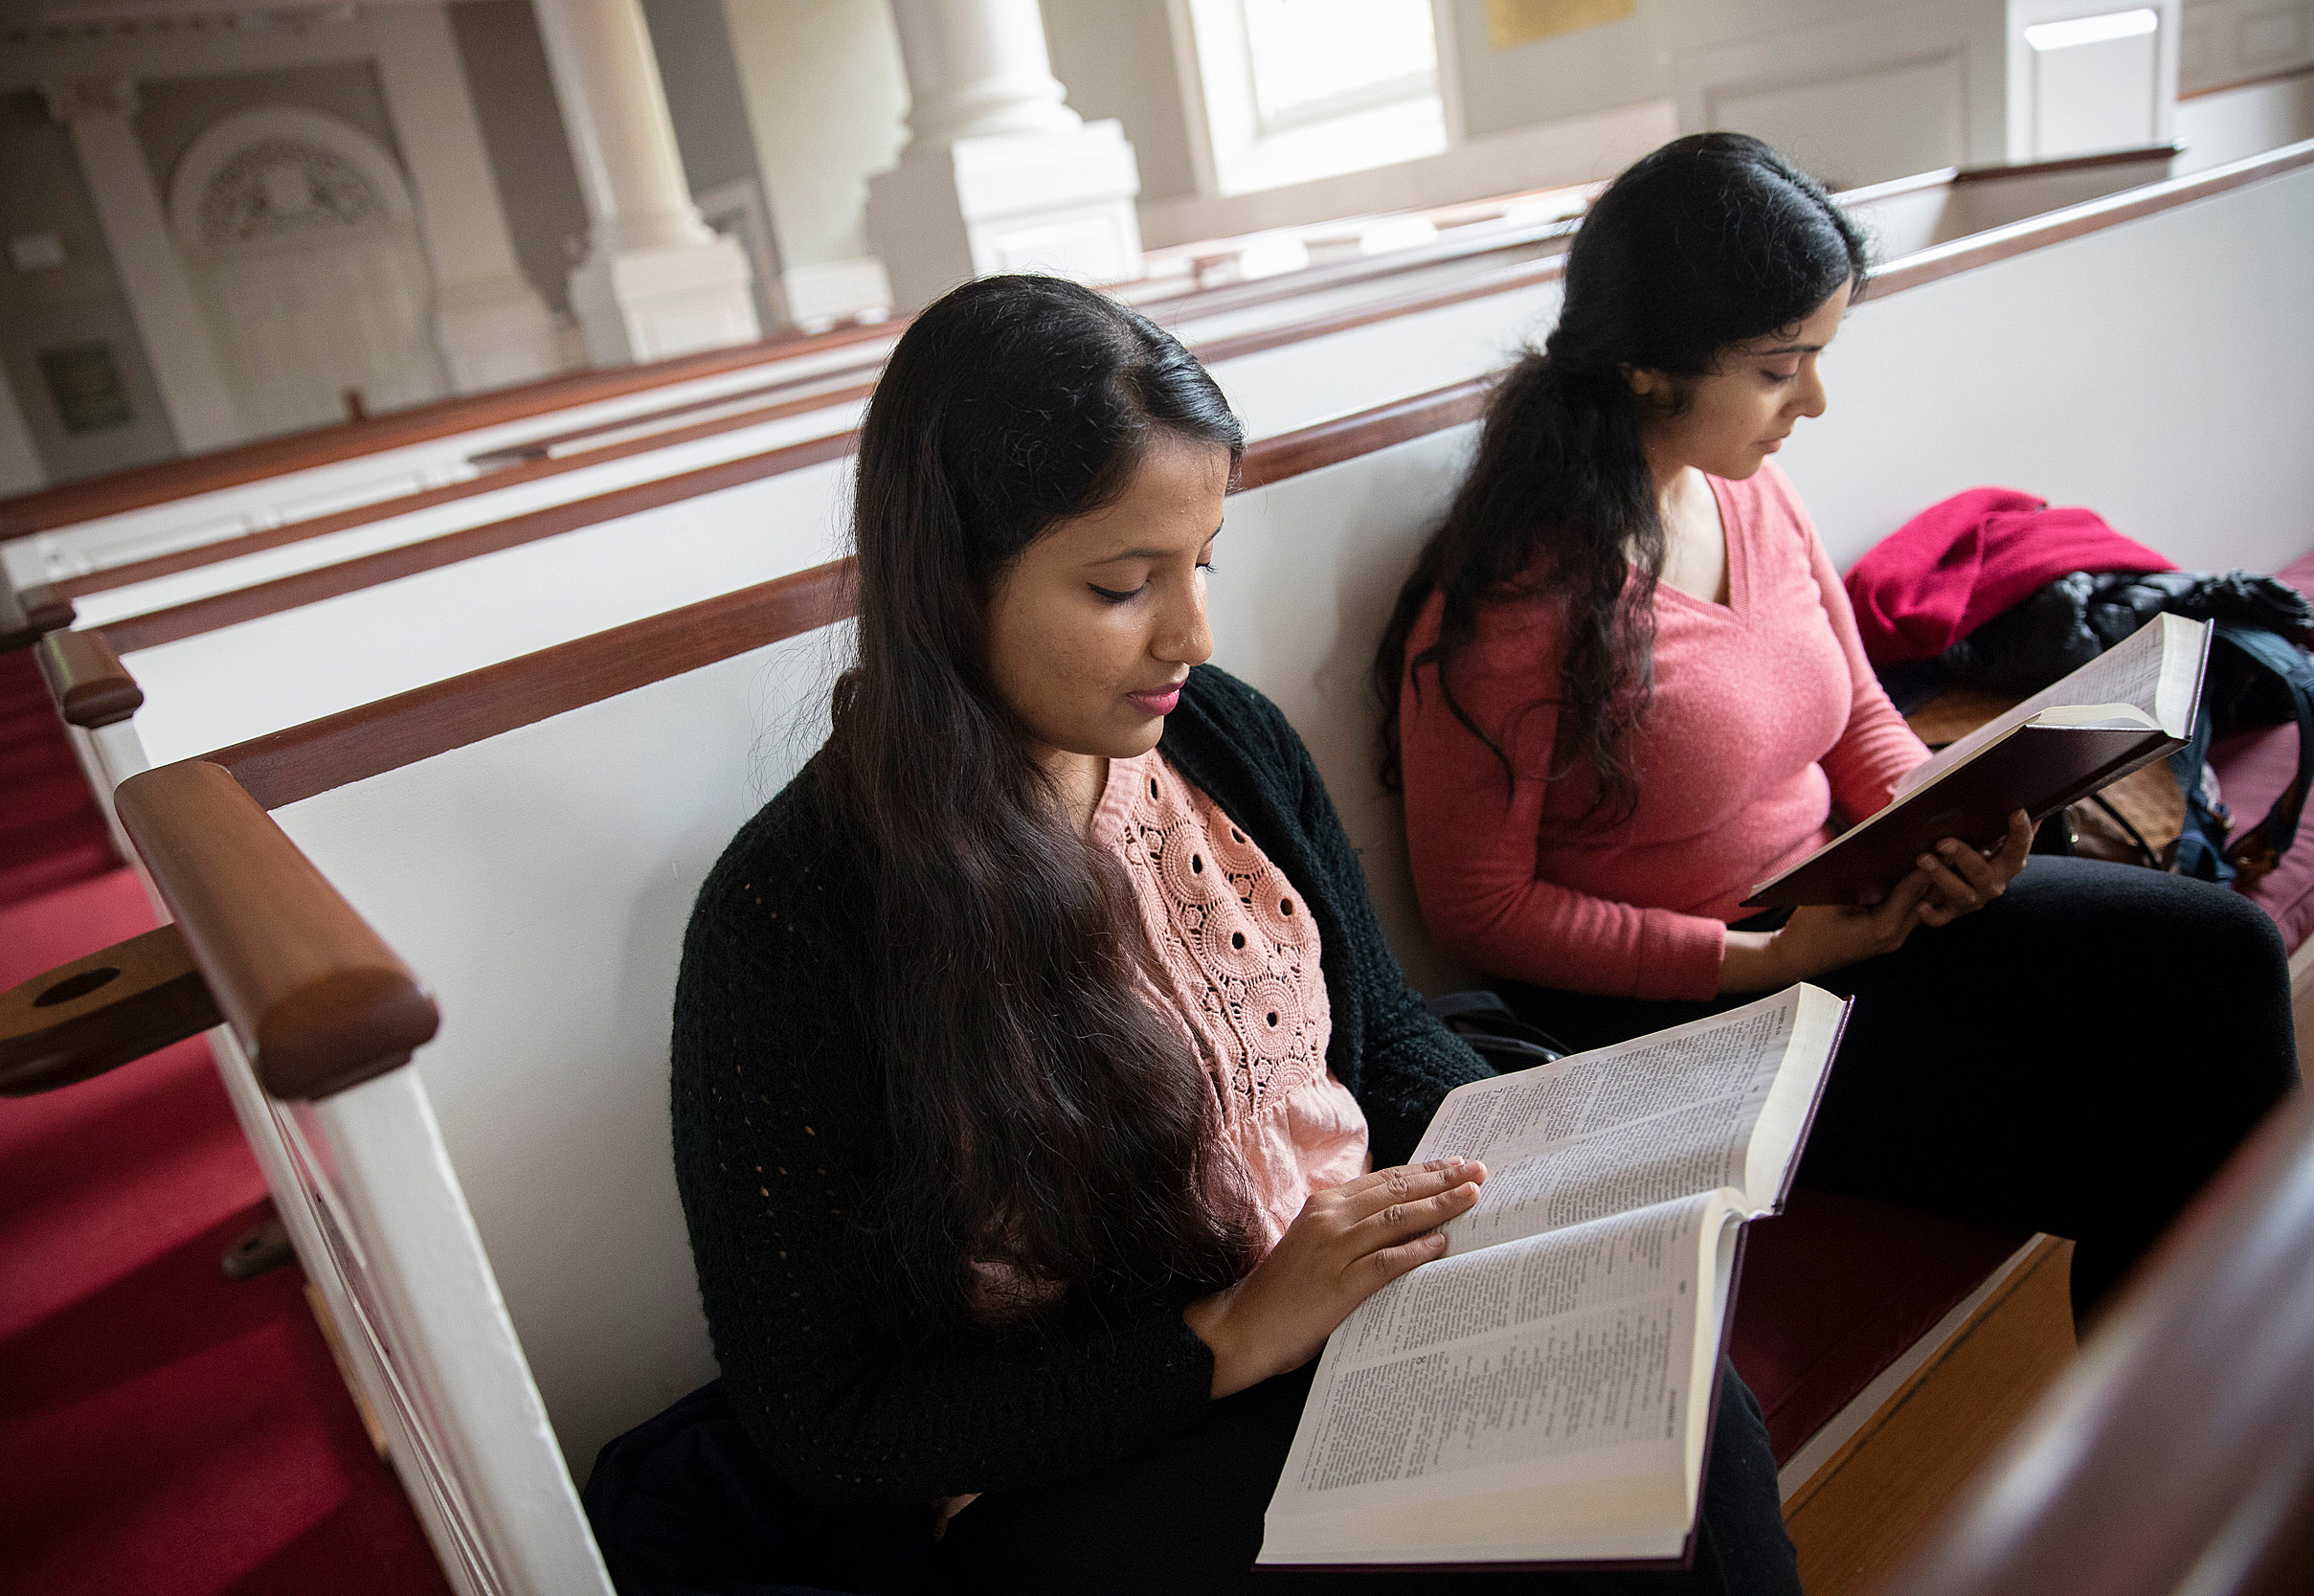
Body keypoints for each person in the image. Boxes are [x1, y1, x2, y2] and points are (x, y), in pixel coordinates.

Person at [671, 275, 1800, 1594]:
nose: (1191, 634)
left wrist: (1584, 1172)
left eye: (1199, 564)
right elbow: (831, 1418)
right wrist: (1232, 1331)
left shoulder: (1227, 743)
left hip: (1349, 1322)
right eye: (1119, 585)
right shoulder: (793, 915)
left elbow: (1380, 1045)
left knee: (1684, 1424)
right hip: (1105, 1449)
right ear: (946, 582)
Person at [1379, 133, 2299, 1330]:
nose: (1812, 401)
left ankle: (2241, 1398)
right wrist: (1770, 957)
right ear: (1651, 369)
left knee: (2221, 949)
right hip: (1699, 1005)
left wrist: (1946, 819)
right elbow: (1481, 913)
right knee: (2147, 1124)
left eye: (1813, 356)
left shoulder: (1746, 487)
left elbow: (1858, 713)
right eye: (1779, 367)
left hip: (1848, 912)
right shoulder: (1503, 613)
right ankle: (2176, 1454)